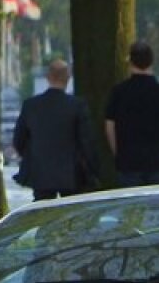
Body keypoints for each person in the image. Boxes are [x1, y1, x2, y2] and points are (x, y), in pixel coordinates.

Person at [12, 59, 98, 201]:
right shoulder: (77, 106)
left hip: (41, 172)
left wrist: (32, 155)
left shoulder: (31, 106)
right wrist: (93, 170)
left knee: (43, 212)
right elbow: (87, 142)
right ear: (68, 78)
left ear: (48, 77)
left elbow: (19, 140)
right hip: (71, 174)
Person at [105, 42, 159, 187]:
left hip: (128, 162)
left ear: (130, 61)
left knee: (131, 208)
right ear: (151, 61)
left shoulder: (118, 93)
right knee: (155, 208)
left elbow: (109, 127)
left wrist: (118, 153)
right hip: (157, 163)